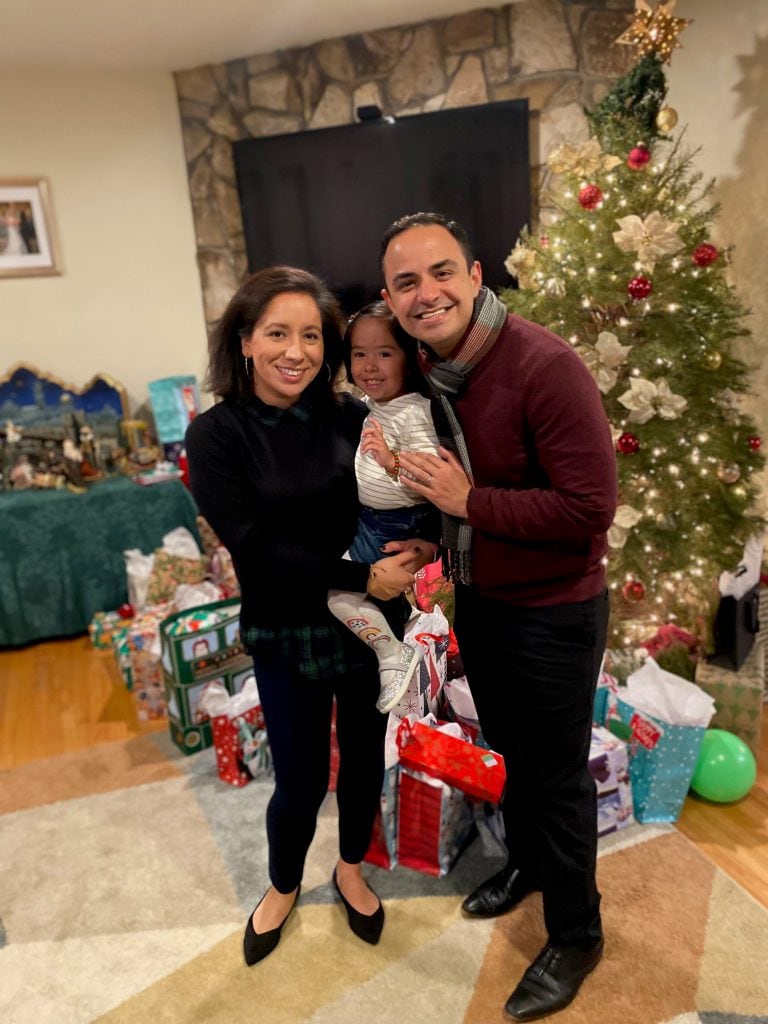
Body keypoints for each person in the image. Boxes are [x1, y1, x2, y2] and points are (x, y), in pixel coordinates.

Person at [379, 212, 618, 1022]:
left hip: (555, 612)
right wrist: (431, 524)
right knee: (515, 754)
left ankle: (578, 935)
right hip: (484, 599)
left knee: (556, 780)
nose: (426, 292)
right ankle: (530, 866)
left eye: (440, 272)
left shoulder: (545, 365)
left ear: (477, 275)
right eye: (407, 282)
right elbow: (451, 482)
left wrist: (467, 503)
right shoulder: (436, 372)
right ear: (391, 297)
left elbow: (591, 507)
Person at [185, 266, 435, 968]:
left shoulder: (355, 417)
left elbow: (394, 498)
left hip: (368, 625)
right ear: (244, 341)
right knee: (297, 778)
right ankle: (283, 883)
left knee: (361, 763)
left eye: (312, 336)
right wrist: (362, 573)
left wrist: (424, 541)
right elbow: (255, 545)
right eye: (277, 333)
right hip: (285, 628)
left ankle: (350, 868)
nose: (295, 351)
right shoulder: (215, 435)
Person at [327, 301, 442, 713]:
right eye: (359, 354)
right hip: (376, 518)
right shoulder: (377, 406)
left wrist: (390, 462)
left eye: (384, 353)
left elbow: (434, 477)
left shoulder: (414, 410)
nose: (370, 366)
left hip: (397, 520)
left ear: (408, 359)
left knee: (339, 594)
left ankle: (392, 655)